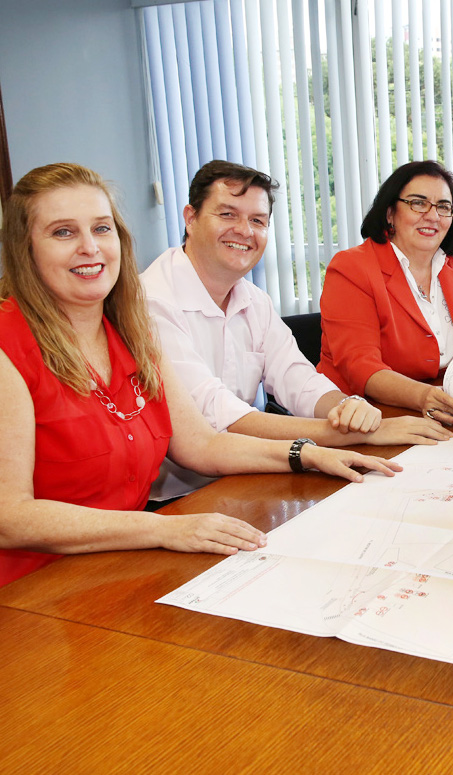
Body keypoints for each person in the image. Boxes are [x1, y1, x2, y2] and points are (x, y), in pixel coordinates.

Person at [0, 163, 400, 588]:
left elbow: (201, 444)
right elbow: (10, 515)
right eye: (63, 232)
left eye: (101, 229)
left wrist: (307, 453)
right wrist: (166, 529)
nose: (89, 247)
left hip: (119, 566)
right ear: (25, 248)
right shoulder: (9, 347)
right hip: (33, 588)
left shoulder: (132, 330)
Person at [142, 161, 451, 500]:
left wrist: (347, 408)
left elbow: (297, 378)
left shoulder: (253, 300)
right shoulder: (152, 301)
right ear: (190, 217)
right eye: (228, 214)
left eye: (258, 220)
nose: (245, 230)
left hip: (245, 476)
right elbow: (221, 417)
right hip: (172, 498)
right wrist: (355, 435)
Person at [318, 160, 453, 425]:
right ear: (390, 212)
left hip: (443, 411)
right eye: (418, 203)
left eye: (443, 206)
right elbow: (361, 367)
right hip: (363, 417)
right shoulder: (352, 268)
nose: (432, 215)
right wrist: (426, 396)